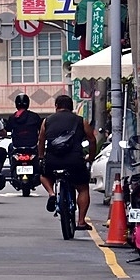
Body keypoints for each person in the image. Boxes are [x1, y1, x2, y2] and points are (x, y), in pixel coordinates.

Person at [38, 94, 97, 232]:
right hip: (74, 161)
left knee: (44, 175)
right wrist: (90, 157)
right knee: (82, 188)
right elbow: (92, 140)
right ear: (71, 107)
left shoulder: (47, 121)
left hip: (53, 160)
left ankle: (52, 193)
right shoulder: (81, 121)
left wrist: (41, 157)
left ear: (56, 106)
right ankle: (81, 221)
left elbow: (41, 140)